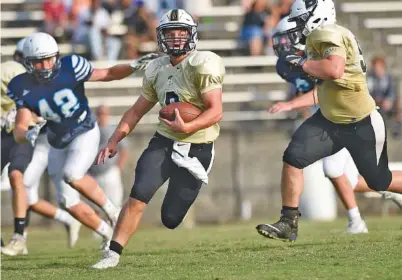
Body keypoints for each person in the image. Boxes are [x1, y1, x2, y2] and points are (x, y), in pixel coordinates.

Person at [256, 0, 402, 242]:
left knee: (378, 180)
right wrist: (293, 102)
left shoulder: (328, 33)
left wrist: (301, 62)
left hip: (360, 120)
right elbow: (323, 86)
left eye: (302, 19)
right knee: (294, 157)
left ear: (316, 16)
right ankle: (288, 222)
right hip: (330, 119)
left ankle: (356, 218)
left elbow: (334, 70)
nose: (298, 26)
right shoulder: (319, 40)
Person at [90, 8, 224, 269]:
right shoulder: (155, 67)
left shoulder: (203, 63)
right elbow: (137, 110)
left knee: (171, 218)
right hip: (164, 141)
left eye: (181, 33)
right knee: (138, 194)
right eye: (170, 33)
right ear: (161, 37)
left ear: (191, 35)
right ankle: (113, 253)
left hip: (198, 146)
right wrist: (115, 139)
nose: (175, 39)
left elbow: (216, 110)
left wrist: (189, 127)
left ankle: (189, 175)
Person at [8, 32, 158, 253]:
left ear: (56, 56)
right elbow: (20, 125)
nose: (46, 65)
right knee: (67, 202)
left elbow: (107, 73)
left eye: (49, 58)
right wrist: (26, 134)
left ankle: (114, 212)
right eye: (39, 61)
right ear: (28, 63)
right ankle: (108, 234)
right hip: (57, 141)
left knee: (73, 175)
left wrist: (133, 66)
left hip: (83, 131)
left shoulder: (71, 66)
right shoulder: (21, 85)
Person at [89, 105, 128, 208]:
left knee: (114, 203)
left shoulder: (114, 130)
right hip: (92, 174)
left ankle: (115, 224)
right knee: (95, 206)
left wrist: (118, 168)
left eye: (104, 114)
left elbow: (124, 149)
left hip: (109, 172)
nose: (102, 116)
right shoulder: (91, 130)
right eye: (99, 114)